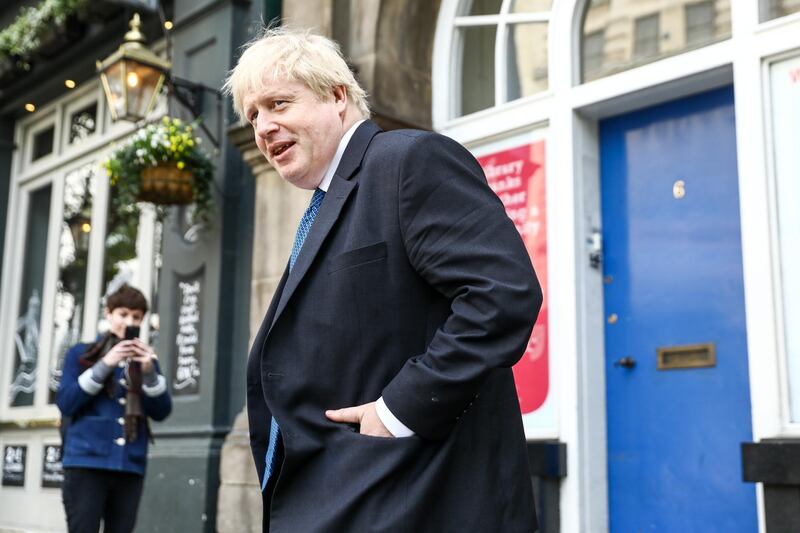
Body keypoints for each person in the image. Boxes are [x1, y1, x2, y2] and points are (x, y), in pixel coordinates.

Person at [224, 27, 543, 532]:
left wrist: (396, 412)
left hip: (416, 500)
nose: (263, 127)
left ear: (337, 95)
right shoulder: (328, 201)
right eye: (254, 115)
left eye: (279, 103)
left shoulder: (408, 160)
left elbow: (501, 296)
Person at [56, 285, 171, 533]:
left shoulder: (146, 360)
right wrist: (106, 363)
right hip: (86, 465)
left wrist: (149, 373)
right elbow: (66, 403)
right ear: (108, 314)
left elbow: (161, 411)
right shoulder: (80, 353)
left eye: (137, 317)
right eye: (123, 313)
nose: (129, 321)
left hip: (130, 465)